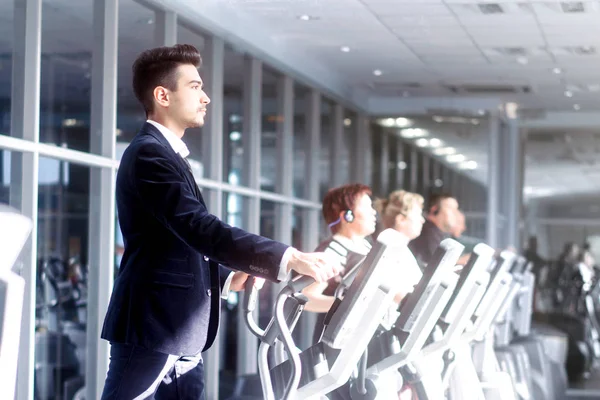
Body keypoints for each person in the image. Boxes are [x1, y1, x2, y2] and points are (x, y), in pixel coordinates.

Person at [100, 44, 340, 400]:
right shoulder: (150, 154)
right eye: (195, 87)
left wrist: (229, 277)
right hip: (154, 326)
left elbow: (179, 241)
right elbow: (199, 227)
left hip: (179, 329)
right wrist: (287, 257)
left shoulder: (167, 154)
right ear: (163, 95)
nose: (206, 97)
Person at [299, 183, 377, 343]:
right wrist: (348, 306)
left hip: (362, 337)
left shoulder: (367, 246)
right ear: (347, 216)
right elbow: (306, 297)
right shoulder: (333, 250)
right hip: (338, 340)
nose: (373, 212)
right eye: (367, 207)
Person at [408, 192, 459, 270]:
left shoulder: (437, 233)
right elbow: (432, 268)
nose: (455, 213)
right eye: (450, 208)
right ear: (435, 210)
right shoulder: (425, 233)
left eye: (456, 209)